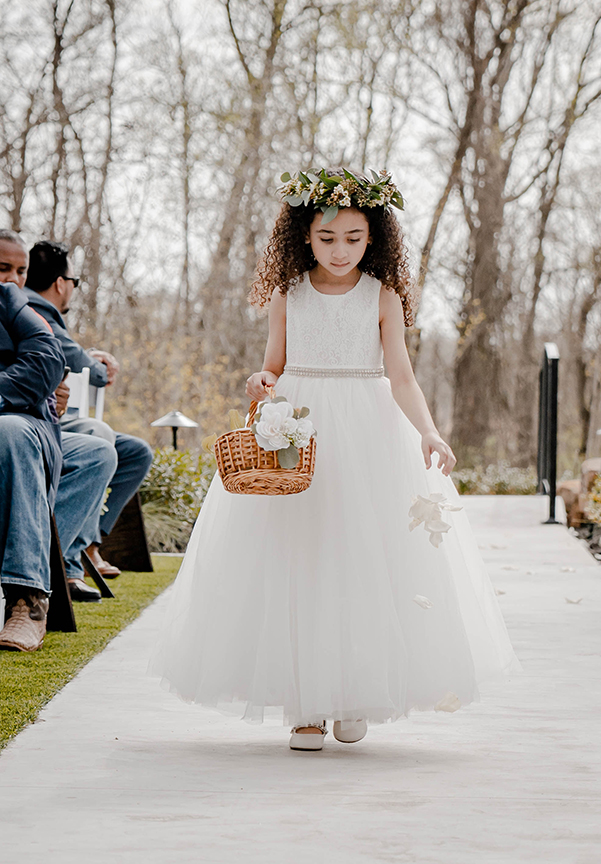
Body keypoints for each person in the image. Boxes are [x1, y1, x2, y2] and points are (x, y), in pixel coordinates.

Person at [150, 168, 520, 750]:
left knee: (361, 560)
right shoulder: (288, 293)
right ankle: (305, 707)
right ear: (305, 236)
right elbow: (273, 363)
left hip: (368, 430)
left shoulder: (383, 295)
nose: (340, 249)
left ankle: (352, 694)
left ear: (372, 238)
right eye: (327, 238)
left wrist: (428, 431)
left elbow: (400, 374)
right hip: (301, 429)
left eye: (353, 237)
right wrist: (262, 381)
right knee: (303, 559)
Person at [0, 230, 118, 609]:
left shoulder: (23, 310)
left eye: (21, 271)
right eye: (3, 269)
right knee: (13, 431)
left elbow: (48, 364)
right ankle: (41, 577)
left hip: (34, 422)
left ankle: (55, 566)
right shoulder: (38, 306)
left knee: (102, 450)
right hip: (21, 421)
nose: (14, 280)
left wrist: (42, 389)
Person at [25, 240, 153, 578]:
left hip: (56, 421)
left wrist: (89, 356)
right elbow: (90, 371)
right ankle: (63, 563)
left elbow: (75, 357)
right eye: (75, 282)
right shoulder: (33, 311)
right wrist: (99, 363)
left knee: (135, 451)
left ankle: (88, 545)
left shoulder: (37, 312)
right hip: (39, 424)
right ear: (61, 283)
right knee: (101, 438)